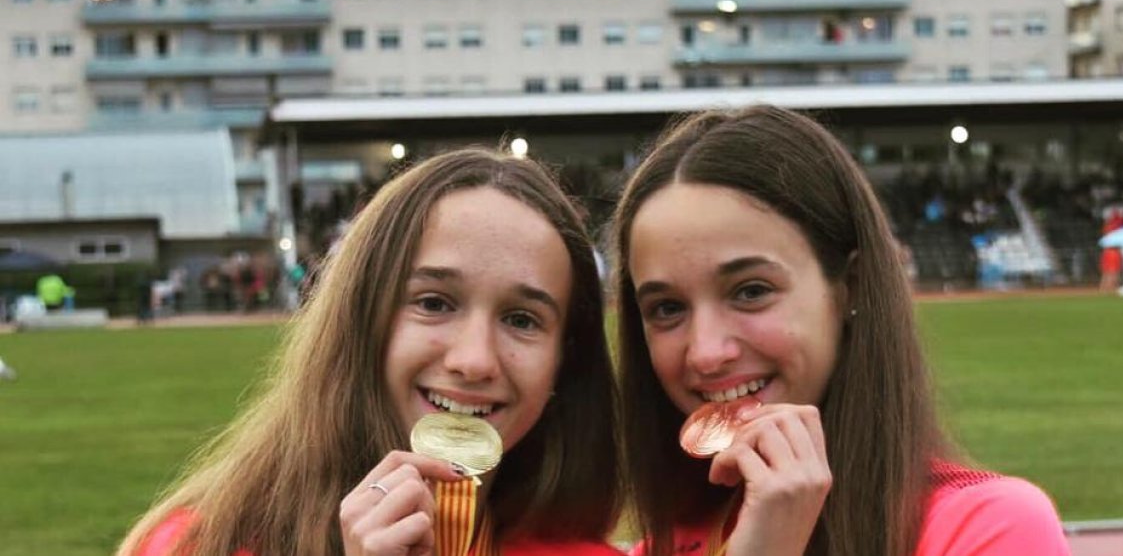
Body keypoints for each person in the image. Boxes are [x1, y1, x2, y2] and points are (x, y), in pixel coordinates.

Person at [611, 106, 1070, 556]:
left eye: (750, 291)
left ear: (849, 287)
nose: (706, 354)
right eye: (667, 308)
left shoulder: (989, 529)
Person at [119, 149, 622, 556]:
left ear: (566, 360)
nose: (474, 361)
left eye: (521, 320)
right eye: (433, 302)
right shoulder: (196, 545)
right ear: (361, 321)